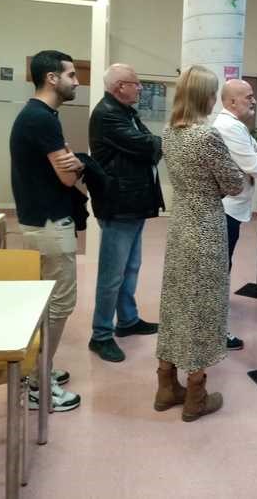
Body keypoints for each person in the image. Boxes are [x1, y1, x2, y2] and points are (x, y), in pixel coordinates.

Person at [154, 65, 244, 422]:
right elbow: (234, 183)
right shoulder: (205, 137)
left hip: (179, 227)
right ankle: (196, 393)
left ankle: (165, 384)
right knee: (204, 308)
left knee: (175, 301)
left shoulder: (169, 133)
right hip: (206, 226)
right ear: (204, 96)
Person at [10, 50, 83, 411]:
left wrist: (71, 156)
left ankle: (38, 368)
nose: (77, 80)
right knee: (60, 303)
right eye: (71, 74)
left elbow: (64, 163)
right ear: (52, 78)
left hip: (42, 220)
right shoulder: (41, 120)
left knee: (50, 301)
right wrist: (77, 163)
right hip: (50, 223)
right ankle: (38, 380)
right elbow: (68, 177)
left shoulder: (37, 115)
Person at [88, 63, 164, 362]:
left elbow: (150, 143)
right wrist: (156, 145)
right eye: (136, 82)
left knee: (130, 268)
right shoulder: (108, 115)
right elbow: (149, 146)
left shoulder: (126, 113)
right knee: (112, 275)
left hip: (131, 204)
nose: (141, 87)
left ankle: (128, 321)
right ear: (119, 86)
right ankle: (101, 335)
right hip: (118, 205)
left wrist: (155, 145)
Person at [213, 79, 257, 350]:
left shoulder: (235, 127)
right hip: (227, 211)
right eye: (248, 97)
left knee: (223, 267)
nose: (253, 101)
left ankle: (215, 323)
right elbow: (256, 166)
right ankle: (217, 331)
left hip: (230, 209)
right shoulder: (230, 128)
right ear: (232, 101)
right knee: (220, 271)